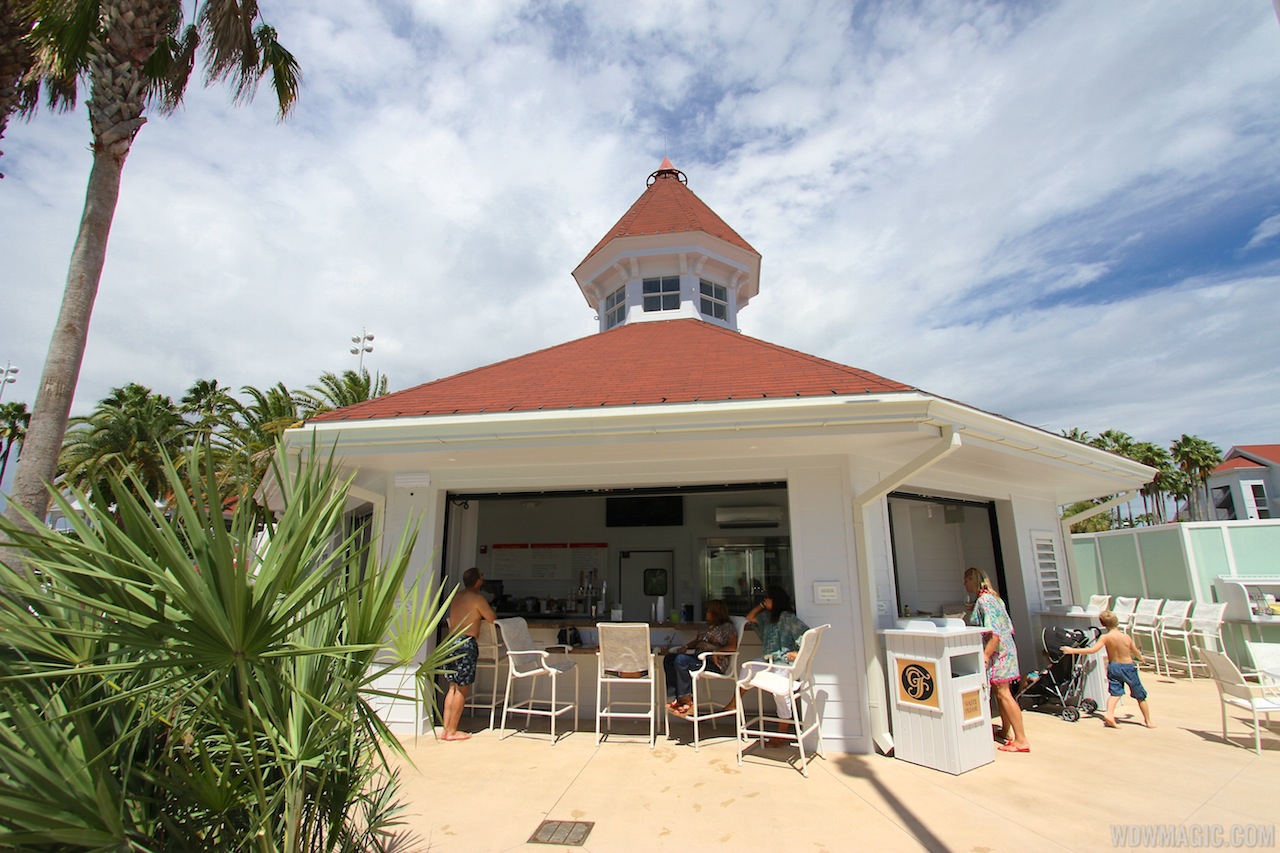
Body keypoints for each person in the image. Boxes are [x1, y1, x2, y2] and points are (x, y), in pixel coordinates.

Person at [726, 586, 809, 746]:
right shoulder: (768, 617)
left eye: (768, 598)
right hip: (769, 660)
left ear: (776, 600)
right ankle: (734, 703)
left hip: (785, 663)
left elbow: (806, 634)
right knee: (747, 668)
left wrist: (797, 653)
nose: (764, 601)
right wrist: (762, 606)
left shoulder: (787, 618)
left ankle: (782, 734)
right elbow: (750, 617)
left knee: (780, 692)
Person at [963, 567, 1030, 753]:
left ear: (973, 579)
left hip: (998, 653)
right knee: (1001, 690)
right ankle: (1006, 730)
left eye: (966, 580)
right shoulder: (995, 598)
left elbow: (994, 633)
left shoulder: (985, 601)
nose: (964, 584)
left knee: (1003, 693)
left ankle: (1021, 739)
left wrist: (985, 655)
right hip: (1007, 650)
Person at [1059, 610, 1154, 729]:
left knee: (1115, 693)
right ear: (1117, 622)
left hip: (1114, 667)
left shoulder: (1105, 637)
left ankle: (1109, 714)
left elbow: (1092, 650)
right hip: (1128, 667)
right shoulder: (1126, 637)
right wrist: (1142, 658)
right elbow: (1136, 653)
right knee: (1140, 695)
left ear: (1103, 625)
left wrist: (1072, 650)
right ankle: (1148, 721)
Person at [441, 567, 497, 742]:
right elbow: (491, 618)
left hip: (451, 643)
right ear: (478, 581)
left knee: (452, 687)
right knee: (462, 688)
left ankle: (445, 729)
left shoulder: (457, 596)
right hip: (465, 644)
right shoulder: (477, 599)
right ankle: (453, 731)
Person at [664, 599, 737, 715]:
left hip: (714, 663)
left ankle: (687, 701)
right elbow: (698, 641)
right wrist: (686, 646)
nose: (706, 613)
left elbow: (733, 647)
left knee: (681, 660)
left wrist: (715, 651)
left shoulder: (727, 627)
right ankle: (677, 698)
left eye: (708, 611)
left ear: (716, 612)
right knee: (670, 658)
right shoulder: (705, 626)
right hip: (698, 659)